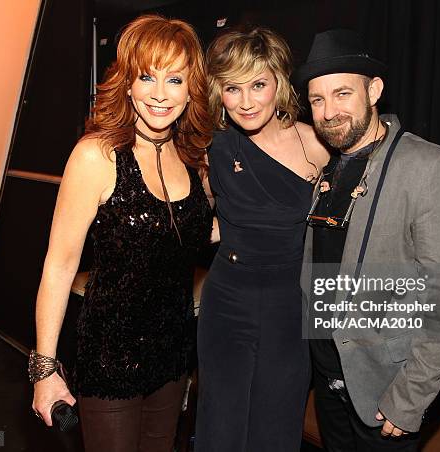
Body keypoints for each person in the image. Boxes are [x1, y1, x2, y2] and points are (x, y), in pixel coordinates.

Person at [30, 15, 213, 452]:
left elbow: (195, 235)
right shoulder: (97, 155)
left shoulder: (194, 158)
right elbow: (59, 266)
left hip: (172, 359)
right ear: (127, 83)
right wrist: (44, 369)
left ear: (191, 91)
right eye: (146, 76)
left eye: (174, 79)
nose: (159, 94)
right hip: (110, 361)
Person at [293, 29, 440, 451]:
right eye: (318, 100)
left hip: (383, 391)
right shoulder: (327, 167)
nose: (329, 111)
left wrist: (410, 399)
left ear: (374, 90)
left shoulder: (427, 166)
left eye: (342, 94)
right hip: (328, 381)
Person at [196, 27, 329, 452]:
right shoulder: (212, 149)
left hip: (290, 309)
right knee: (221, 427)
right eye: (233, 88)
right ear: (220, 91)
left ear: (280, 83)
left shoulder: (318, 145)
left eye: (258, 85)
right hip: (226, 302)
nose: (247, 101)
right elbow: (209, 221)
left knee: (275, 428)